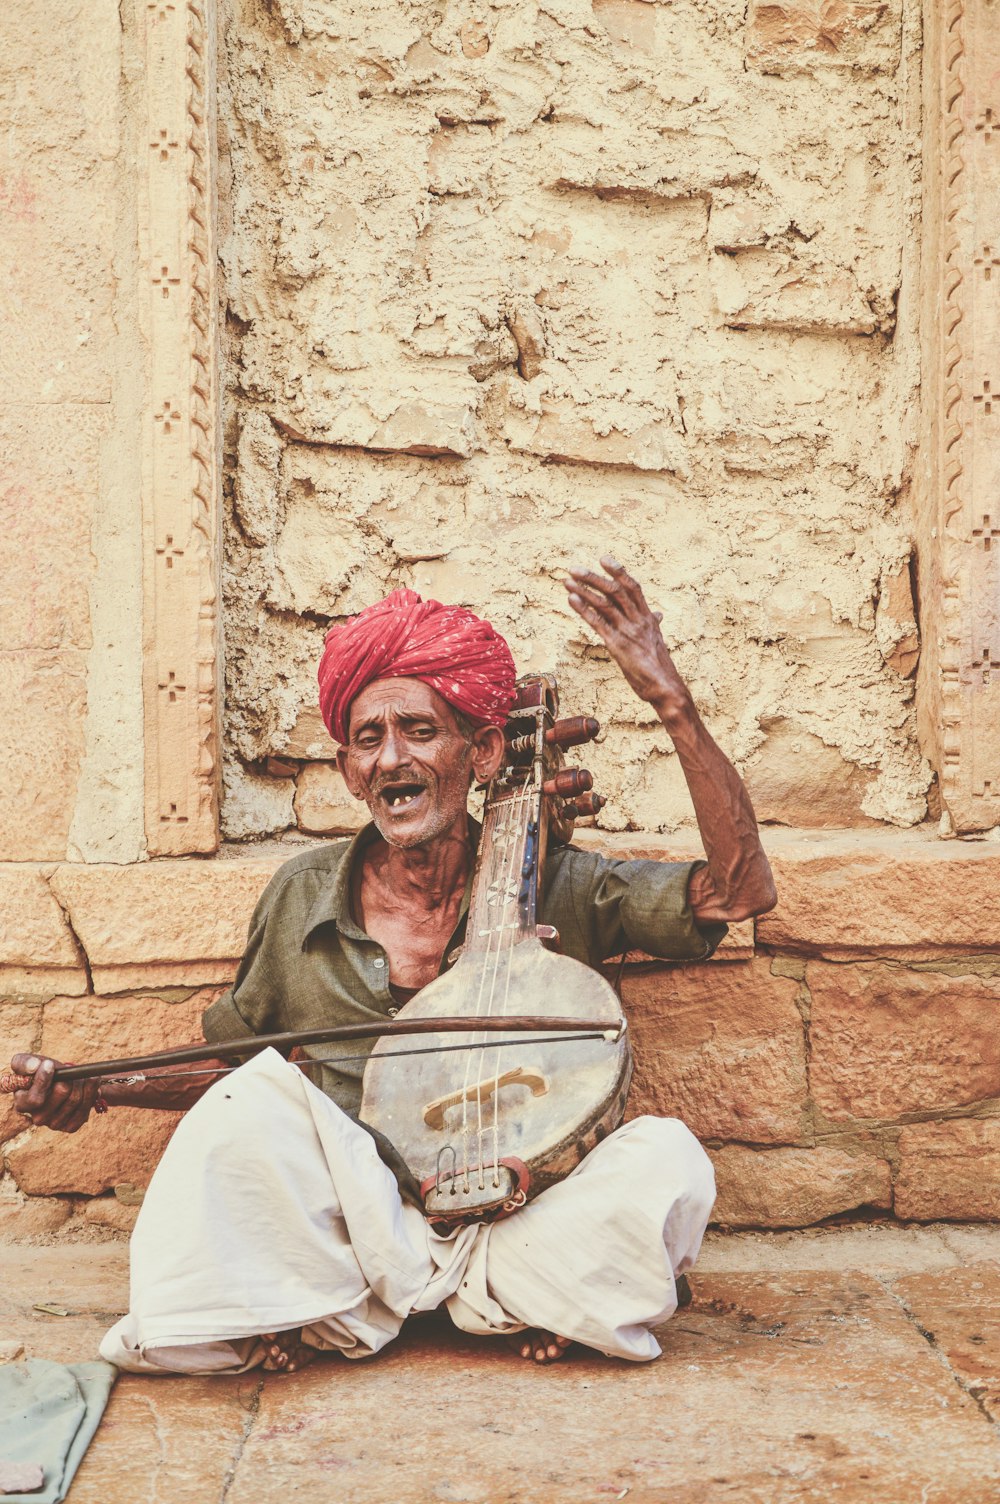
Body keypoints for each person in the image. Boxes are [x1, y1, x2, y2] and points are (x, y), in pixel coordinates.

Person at [10, 559, 775, 1373]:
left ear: (482, 752)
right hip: (368, 1223)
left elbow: (740, 891)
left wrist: (671, 700)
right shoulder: (304, 895)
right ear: (348, 772)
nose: (391, 758)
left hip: (522, 1216)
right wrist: (98, 1090)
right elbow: (236, 1067)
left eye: (418, 729)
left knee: (666, 1159)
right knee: (243, 1113)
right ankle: (510, 1308)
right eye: (368, 739)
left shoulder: (560, 879)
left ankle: (367, 1309)